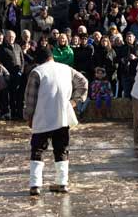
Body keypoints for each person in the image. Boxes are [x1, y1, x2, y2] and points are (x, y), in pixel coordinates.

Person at [23, 42, 89, 196]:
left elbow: (30, 98)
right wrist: (74, 102)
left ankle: (35, 185)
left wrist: (29, 117)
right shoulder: (66, 68)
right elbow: (83, 82)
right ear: (51, 56)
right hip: (62, 116)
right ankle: (62, 183)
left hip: (42, 117)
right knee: (61, 149)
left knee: (38, 150)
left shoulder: (37, 72)